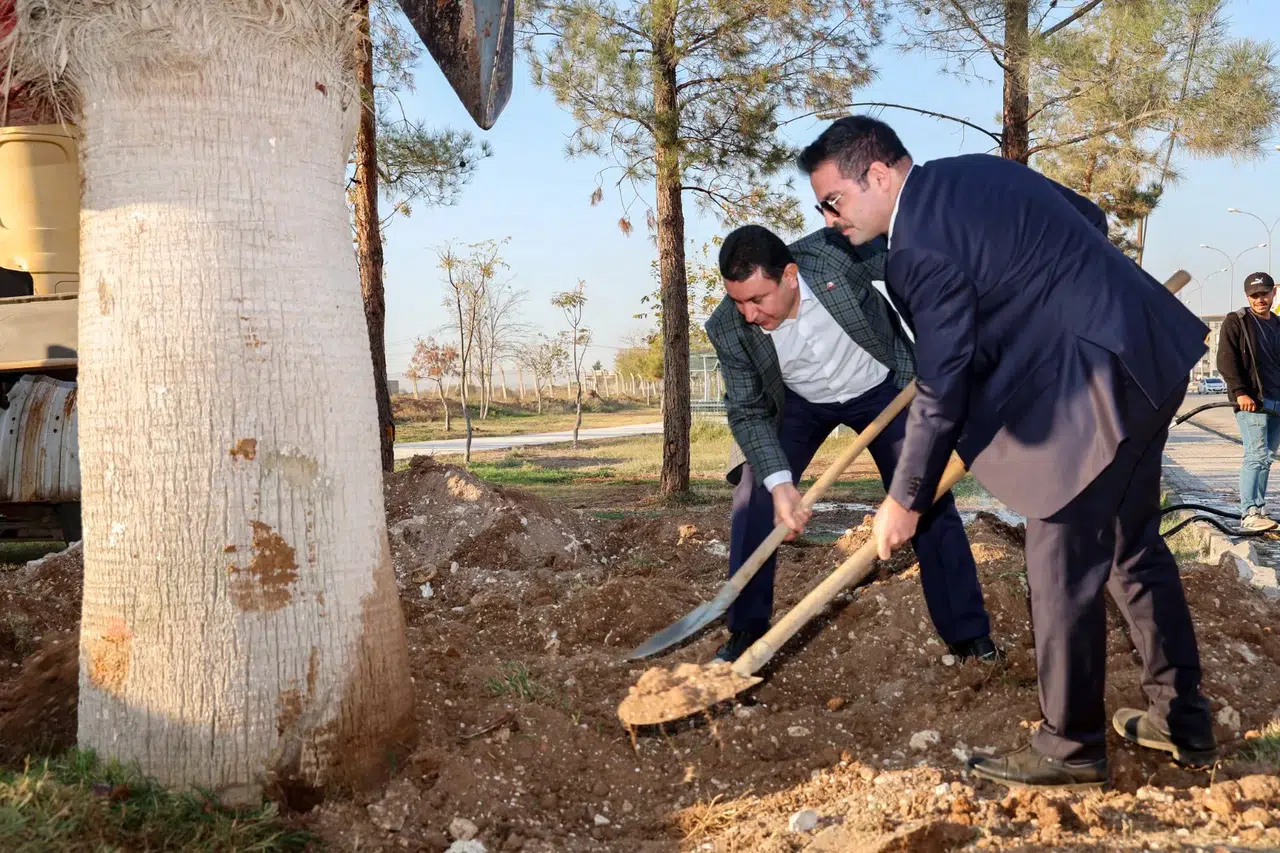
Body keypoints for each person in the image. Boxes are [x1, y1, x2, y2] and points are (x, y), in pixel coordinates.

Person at [796, 115, 1217, 789]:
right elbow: (1090, 217)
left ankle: (1070, 745)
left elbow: (942, 386)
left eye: (832, 201)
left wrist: (904, 499)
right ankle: (1183, 719)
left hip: (1096, 386)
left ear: (877, 175)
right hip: (1147, 354)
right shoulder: (978, 170)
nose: (828, 217)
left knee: (1057, 554)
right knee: (1129, 548)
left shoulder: (916, 251)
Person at [706, 223, 1001, 665]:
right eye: (737, 300)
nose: (748, 313)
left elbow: (915, 260)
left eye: (756, 299)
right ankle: (747, 633)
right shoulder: (728, 327)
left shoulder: (834, 255)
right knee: (754, 497)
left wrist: (961, 313)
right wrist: (781, 483)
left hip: (882, 388)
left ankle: (968, 637)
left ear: (789, 275)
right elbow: (747, 411)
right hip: (799, 403)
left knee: (928, 497)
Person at [1216, 271, 1280, 532]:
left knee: (1267, 457)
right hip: (1252, 400)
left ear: (1273, 293)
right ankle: (1249, 513)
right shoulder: (1237, 322)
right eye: (1254, 295)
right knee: (1256, 455)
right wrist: (1241, 391)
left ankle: (1259, 507)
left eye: (1264, 293)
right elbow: (1226, 360)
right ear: (1247, 297)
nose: (1260, 299)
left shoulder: (1278, 324)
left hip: (1278, 399)